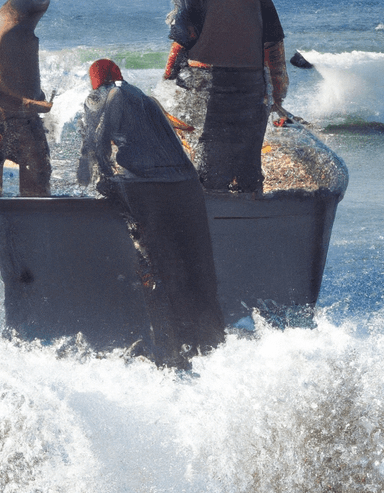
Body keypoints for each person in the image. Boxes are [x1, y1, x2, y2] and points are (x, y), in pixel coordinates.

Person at [78, 59, 225, 367]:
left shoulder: (104, 97)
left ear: (96, 84)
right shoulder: (146, 99)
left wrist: (100, 179)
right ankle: (211, 346)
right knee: (197, 265)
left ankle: (167, 351)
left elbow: (96, 146)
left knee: (157, 264)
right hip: (186, 183)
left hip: (150, 185)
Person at [162, 0, 289, 192]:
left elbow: (183, 37)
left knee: (208, 160)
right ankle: (251, 208)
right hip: (252, 83)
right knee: (248, 161)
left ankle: (214, 209)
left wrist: (167, 77)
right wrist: (278, 93)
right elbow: (273, 46)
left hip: (207, 82)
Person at [0, 0, 53, 196]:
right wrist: (35, 105)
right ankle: (35, 217)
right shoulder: (12, 33)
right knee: (38, 178)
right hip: (16, 120)